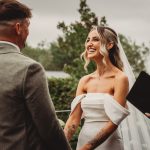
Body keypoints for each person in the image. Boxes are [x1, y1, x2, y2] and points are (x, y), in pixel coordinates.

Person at [64, 26, 150, 150]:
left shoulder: (120, 78)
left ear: (110, 45)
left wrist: (88, 147)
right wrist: (60, 143)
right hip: (83, 140)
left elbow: (114, 121)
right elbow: (73, 121)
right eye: (88, 40)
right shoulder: (84, 80)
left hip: (108, 143)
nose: (89, 44)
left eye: (95, 39)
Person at [0, 0, 71, 150]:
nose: (28, 32)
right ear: (18, 28)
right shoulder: (29, 69)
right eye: (28, 26)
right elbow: (49, 127)